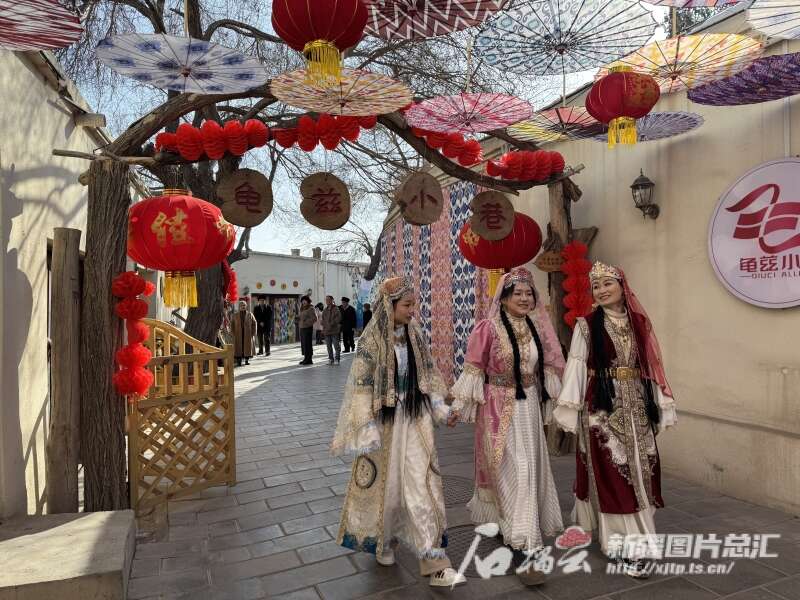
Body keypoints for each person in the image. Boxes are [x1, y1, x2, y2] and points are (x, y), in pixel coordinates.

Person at [332, 277, 467, 588]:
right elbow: (361, 387)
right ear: (389, 306)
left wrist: (441, 409)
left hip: (416, 420)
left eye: (413, 304)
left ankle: (435, 561)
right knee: (388, 490)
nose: (412, 310)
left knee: (423, 485)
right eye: (406, 305)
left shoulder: (414, 335)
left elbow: (428, 376)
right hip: (385, 425)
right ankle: (385, 539)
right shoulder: (371, 342)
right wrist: (366, 429)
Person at [553, 262, 677, 579]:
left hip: (637, 407)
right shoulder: (586, 326)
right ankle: (623, 546)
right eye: (596, 286)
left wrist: (660, 403)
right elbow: (577, 366)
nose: (601, 290)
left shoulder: (639, 323)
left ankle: (640, 537)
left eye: (607, 283)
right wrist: (569, 408)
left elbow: (650, 366)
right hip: (602, 408)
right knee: (613, 473)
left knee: (642, 470)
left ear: (623, 286)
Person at [449, 267, 565, 586]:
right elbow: (473, 370)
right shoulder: (487, 329)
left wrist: (561, 402)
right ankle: (525, 546)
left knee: (529, 471)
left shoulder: (536, 328)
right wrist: (457, 407)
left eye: (529, 293)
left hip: (528, 407)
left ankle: (516, 528)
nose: (525, 298)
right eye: (518, 293)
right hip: (498, 410)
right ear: (503, 298)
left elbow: (548, 368)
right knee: (517, 472)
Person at [232, 300, 257, 367]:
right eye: (241, 305)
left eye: (244, 305)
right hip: (238, 334)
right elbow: (232, 324)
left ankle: (246, 360)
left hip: (248, 334)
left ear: (246, 306)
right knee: (238, 348)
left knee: (247, 347)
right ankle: (239, 361)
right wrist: (233, 332)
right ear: (239, 307)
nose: (243, 307)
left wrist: (253, 332)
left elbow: (254, 323)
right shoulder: (235, 315)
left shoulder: (250, 314)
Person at [322, 295, 342, 365]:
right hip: (327, 331)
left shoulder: (336, 309)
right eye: (326, 300)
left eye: (328, 299)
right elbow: (323, 319)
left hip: (334, 330)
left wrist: (332, 323)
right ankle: (330, 359)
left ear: (332, 300)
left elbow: (338, 318)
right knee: (328, 346)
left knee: (336, 345)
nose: (327, 301)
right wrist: (323, 326)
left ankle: (337, 359)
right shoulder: (325, 310)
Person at [298, 296, 316, 365]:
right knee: (304, 344)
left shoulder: (311, 308)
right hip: (302, 328)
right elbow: (302, 317)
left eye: (305, 300)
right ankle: (306, 358)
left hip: (308, 328)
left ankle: (309, 359)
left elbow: (314, 318)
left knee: (308, 344)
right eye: (302, 301)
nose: (303, 302)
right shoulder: (302, 308)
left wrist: (306, 322)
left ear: (308, 301)